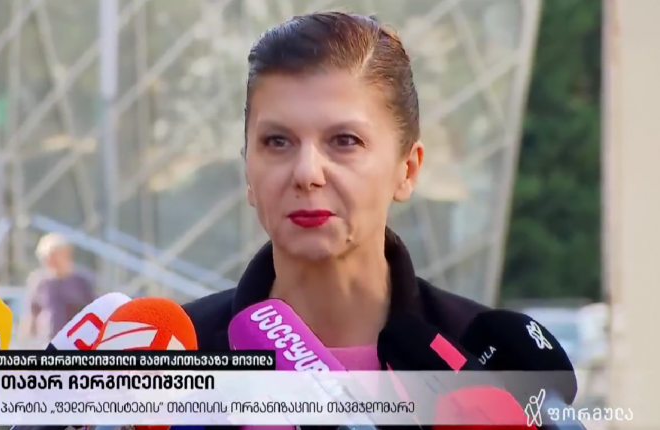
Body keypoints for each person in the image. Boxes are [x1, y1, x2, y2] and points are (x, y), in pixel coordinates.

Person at [184, 11, 491, 379]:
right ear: (248, 170)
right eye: (277, 141)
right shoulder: (176, 355)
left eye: (345, 141)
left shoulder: (487, 357)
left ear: (407, 170)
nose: (307, 173)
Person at [19, 233, 96, 344]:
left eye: (54, 256)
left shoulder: (81, 282)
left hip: (74, 342)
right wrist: (25, 341)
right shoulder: (39, 282)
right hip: (47, 341)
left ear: (66, 254)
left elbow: (93, 312)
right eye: (46, 258)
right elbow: (31, 313)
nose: (50, 262)